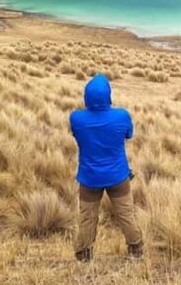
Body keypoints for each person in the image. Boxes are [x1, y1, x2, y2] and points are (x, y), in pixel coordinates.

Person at [70, 74, 143, 262]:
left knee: (87, 217)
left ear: (86, 97)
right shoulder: (121, 116)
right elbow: (129, 134)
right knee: (126, 213)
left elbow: (77, 134)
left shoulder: (77, 118)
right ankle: (135, 250)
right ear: (108, 96)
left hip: (89, 178)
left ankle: (84, 254)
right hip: (118, 176)